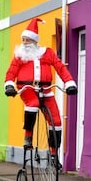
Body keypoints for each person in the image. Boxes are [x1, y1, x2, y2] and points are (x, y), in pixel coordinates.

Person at [4, 18, 78, 162]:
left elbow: (60, 67)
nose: (24, 43)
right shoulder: (20, 55)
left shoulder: (47, 53)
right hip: (27, 88)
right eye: (23, 39)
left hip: (46, 89)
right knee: (32, 104)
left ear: (34, 41)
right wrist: (9, 85)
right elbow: (11, 72)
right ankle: (28, 136)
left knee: (56, 120)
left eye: (27, 40)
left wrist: (69, 83)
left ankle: (54, 153)